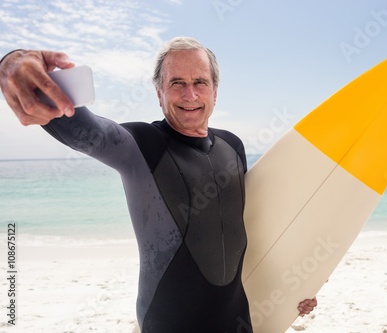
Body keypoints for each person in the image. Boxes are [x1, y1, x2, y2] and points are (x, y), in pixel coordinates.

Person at [0, 37, 317, 332]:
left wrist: (292, 287)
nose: (190, 94)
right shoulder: (140, 144)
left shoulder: (233, 146)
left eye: (199, 83)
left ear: (215, 91)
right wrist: (15, 64)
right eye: (177, 83)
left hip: (237, 322)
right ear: (159, 93)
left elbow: (248, 232)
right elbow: (85, 131)